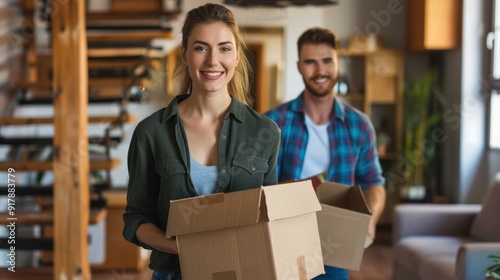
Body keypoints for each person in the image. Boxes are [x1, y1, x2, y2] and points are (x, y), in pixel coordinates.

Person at [122, 3, 280, 279]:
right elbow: (136, 218)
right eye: (200, 48)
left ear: (237, 56)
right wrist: (183, 247)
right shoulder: (151, 132)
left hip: (243, 271)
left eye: (224, 48)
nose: (212, 61)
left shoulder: (264, 131)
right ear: (184, 53)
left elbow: (270, 217)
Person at [265, 27, 386, 280]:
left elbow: (373, 182)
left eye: (327, 61)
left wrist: (370, 220)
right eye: (310, 62)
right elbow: (260, 187)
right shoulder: (273, 123)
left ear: (337, 62)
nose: (320, 71)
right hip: (282, 241)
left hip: (335, 244)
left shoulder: (359, 125)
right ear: (299, 66)